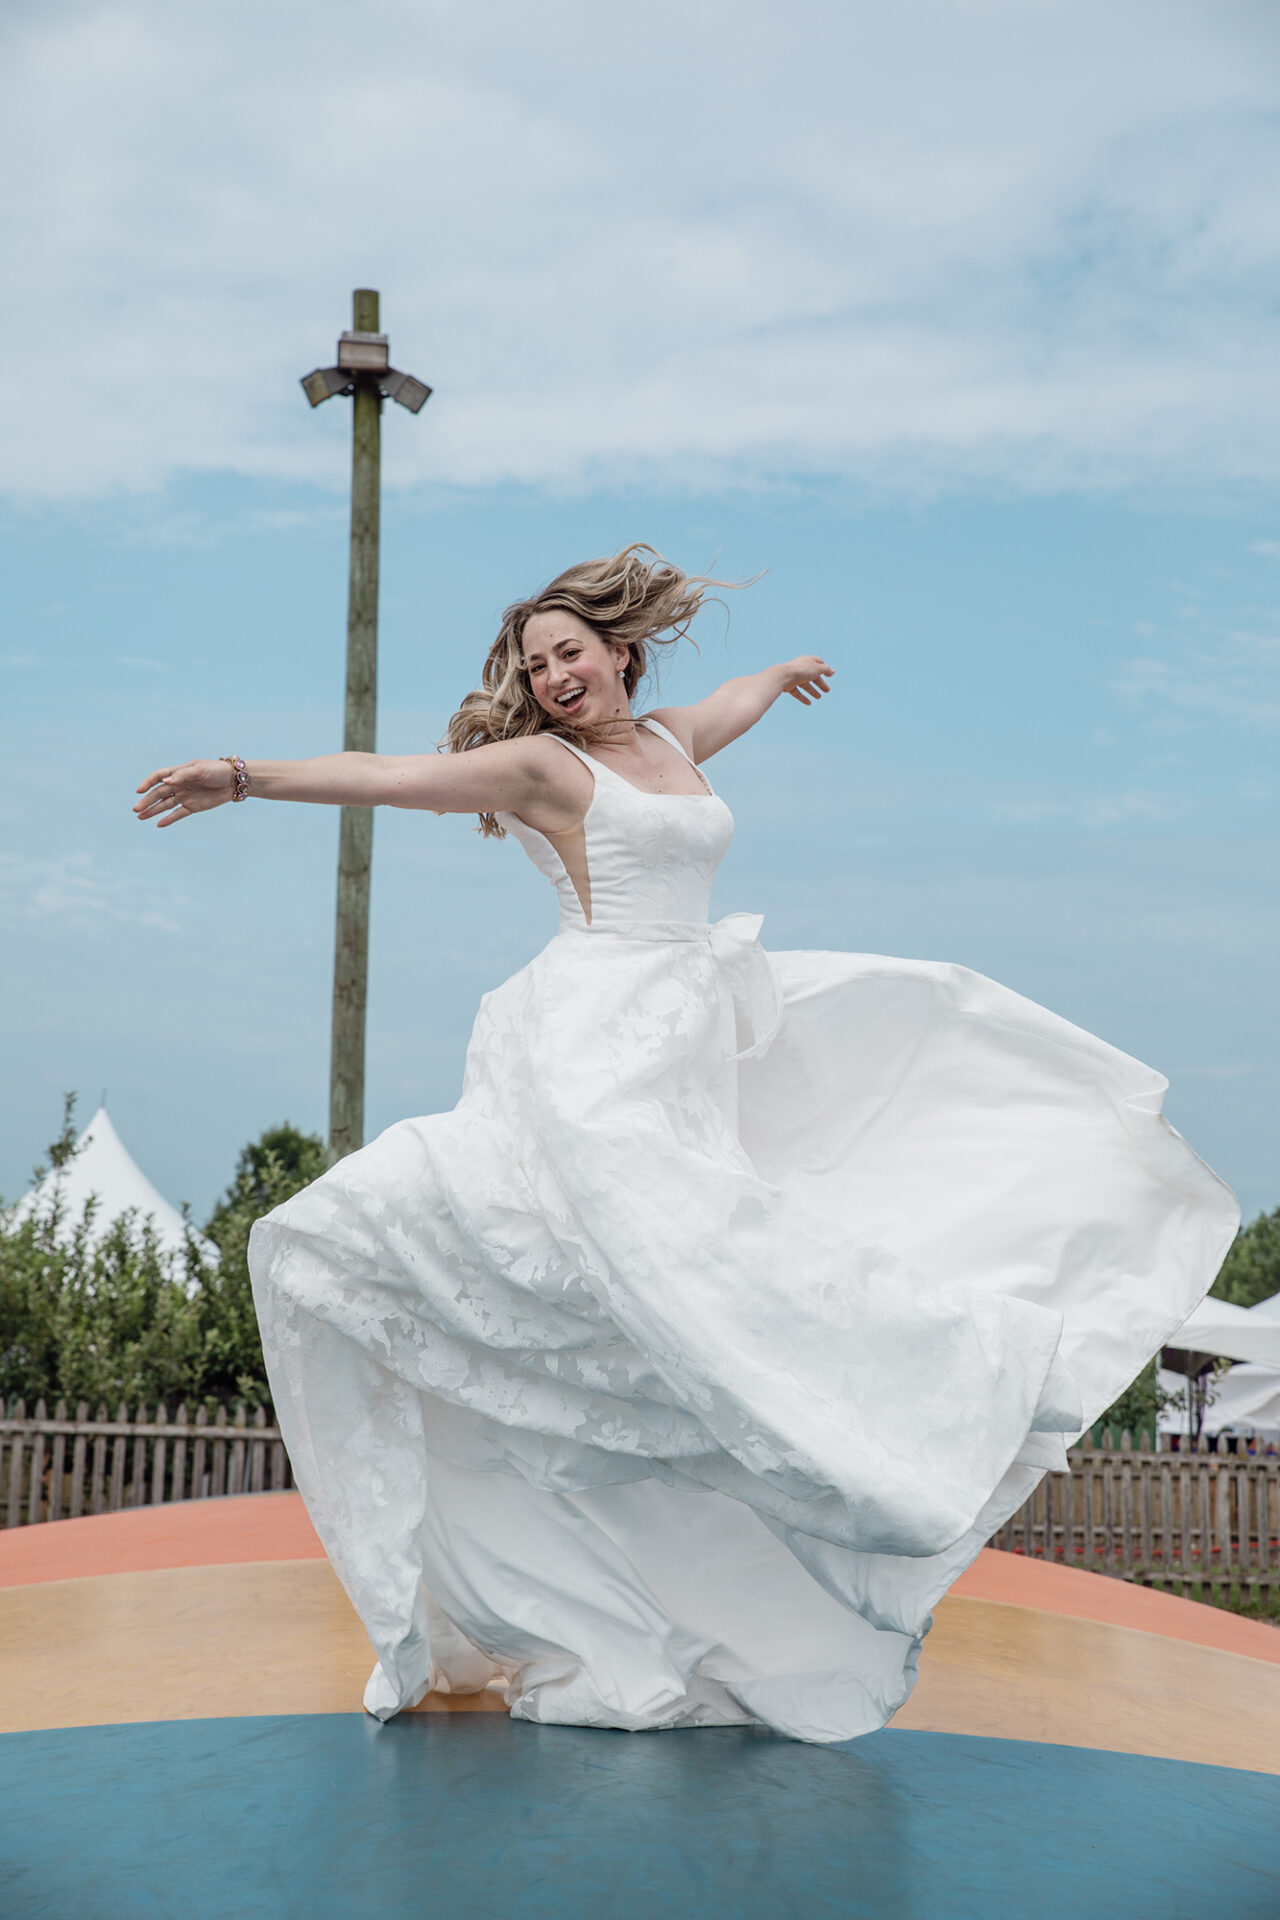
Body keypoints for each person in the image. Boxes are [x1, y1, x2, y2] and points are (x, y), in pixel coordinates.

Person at [135, 545, 1238, 1744]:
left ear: (619, 652)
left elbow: (728, 705)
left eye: (568, 653)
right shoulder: (541, 768)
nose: (552, 677)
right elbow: (390, 777)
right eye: (533, 665)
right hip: (592, 1042)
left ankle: (818, 1452)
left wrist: (779, 672)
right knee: (648, 1260)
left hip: (687, 1039)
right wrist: (240, 776)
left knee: (790, 1185)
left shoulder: (670, 739)